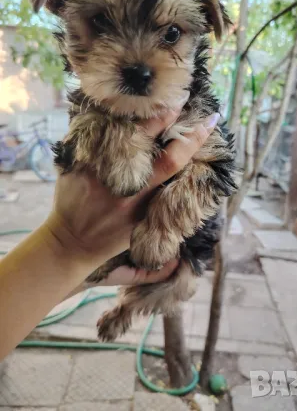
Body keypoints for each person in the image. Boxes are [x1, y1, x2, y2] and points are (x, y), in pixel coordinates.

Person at [0, 108, 219, 361]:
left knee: (179, 285)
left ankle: (126, 309)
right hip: (121, 249)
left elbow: (212, 177)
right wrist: (69, 245)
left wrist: (73, 254)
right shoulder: (95, 115)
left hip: (177, 250)